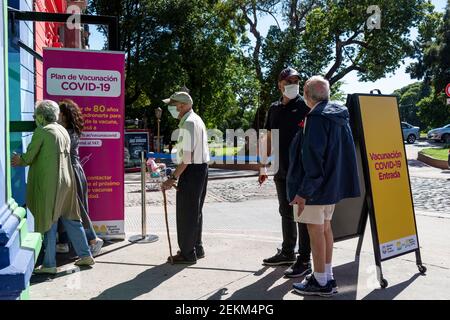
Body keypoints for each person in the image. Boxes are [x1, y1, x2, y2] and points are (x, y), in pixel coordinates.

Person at [288, 76, 360, 297]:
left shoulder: (316, 117)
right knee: (325, 228)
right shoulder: (338, 114)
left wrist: (303, 192)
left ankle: (321, 281)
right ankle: (325, 275)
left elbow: (313, 158)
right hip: (330, 187)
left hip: (315, 189)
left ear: (308, 96)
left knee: (316, 231)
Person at [11, 100, 95, 274]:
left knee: (48, 218)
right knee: (71, 218)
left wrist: (19, 159)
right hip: (67, 180)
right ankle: (85, 255)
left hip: (50, 182)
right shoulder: (62, 130)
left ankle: (49, 264)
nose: (34, 118)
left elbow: (29, 157)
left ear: (42, 116)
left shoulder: (42, 132)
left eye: (36, 115)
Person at [259, 67, 312, 278]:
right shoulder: (273, 109)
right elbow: (268, 138)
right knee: (285, 211)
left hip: (301, 171)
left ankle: (304, 259)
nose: (293, 83)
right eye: (288, 80)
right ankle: (288, 251)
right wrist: (263, 165)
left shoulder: (305, 105)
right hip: (280, 170)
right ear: (279, 84)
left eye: (296, 80)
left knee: (302, 214)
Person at [161, 91, 210, 264]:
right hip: (201, 168)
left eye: (173, 105)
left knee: (186, 213)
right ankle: (197, 247)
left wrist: (172, 178)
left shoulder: (188, 123)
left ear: (182, 105)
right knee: (195, 211)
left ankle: (187, 253)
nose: (172, 109)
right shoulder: (196, 119)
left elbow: (186, 158)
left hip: (192, 170)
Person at [56, 99, 104, 257]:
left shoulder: (66, 132)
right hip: (71, 171)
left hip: (71, 172)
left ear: (63, 115)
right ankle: (63, 241)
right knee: (64, 207)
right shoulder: (70, 130)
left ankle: (92, 239)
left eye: (59, 113)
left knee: (78, 209)